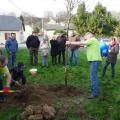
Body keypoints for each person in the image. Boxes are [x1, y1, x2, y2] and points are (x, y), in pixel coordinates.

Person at [66, 32, 102, 98]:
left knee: (93, 77)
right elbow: (83, 45)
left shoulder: (92, 39)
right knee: (94, 76)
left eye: (85, 37)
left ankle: (94, 94)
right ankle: (95, 92)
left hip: (95, 60)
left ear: (89, 36)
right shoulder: (93, 41)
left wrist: (70, 42)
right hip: (94, 60)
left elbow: (82, 43)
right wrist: (75, 45)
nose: (85, 39)